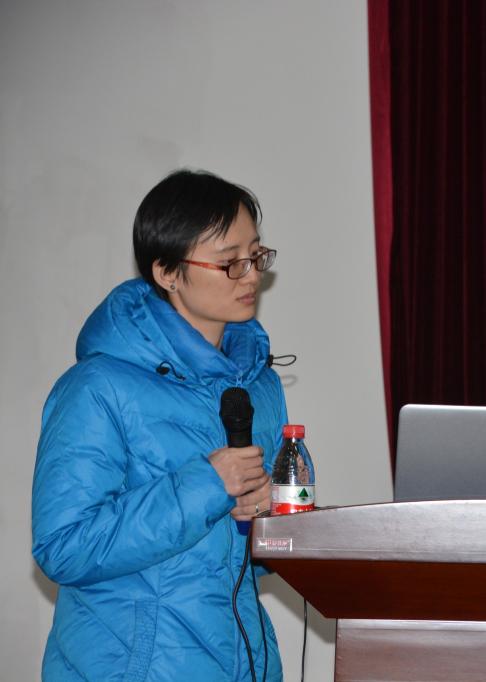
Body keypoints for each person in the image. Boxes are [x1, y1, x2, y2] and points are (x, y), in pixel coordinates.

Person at [32, 170, 287, 681]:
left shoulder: (260, 386)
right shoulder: (97, 388)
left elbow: (252, 558)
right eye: (230, 262)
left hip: (243, 663)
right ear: (168, 272)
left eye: (256, 255)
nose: (250, 276)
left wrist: (272, 517)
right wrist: (206, 485)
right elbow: (63, 547)